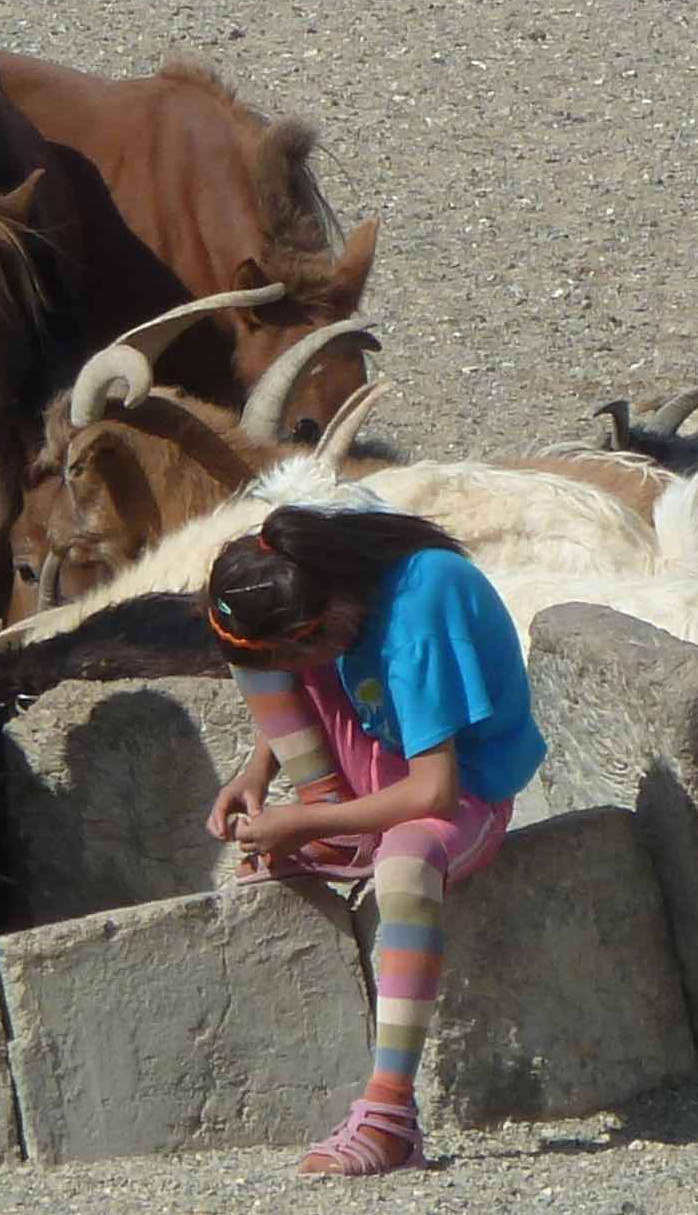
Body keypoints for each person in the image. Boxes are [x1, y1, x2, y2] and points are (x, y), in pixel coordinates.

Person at [204, 503, 546, 1177]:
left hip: (466, 790)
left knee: (405, 864)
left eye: (304, 650)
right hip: (379, 763)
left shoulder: (419, 609)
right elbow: (291, 668)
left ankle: (390, 1117)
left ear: (329, 619)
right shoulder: (323, 587)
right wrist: (257, 768)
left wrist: (300, 823)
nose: (301, 666)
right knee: (254, 656)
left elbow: (435, 792)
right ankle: (339, 820)